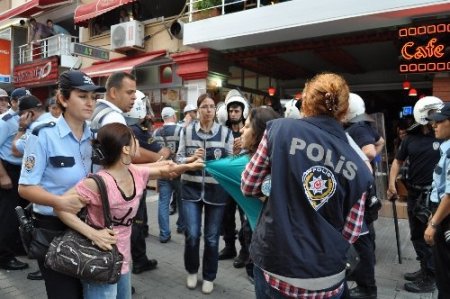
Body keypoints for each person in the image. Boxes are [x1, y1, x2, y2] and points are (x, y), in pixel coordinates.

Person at [241, 72, 373, 298]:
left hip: (276, 265)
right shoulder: (360, 167)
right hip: (326, 275)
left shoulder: (280, 130)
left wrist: (280, 186)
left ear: (306, 101)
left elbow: (249, 185)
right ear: (343, 110)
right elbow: (351, 233)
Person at [55, 122, 203, 299]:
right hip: (99, 261)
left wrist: (187, 165)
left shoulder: (133, 172)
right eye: (134, 139)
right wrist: (94, 234)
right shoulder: (96, 183)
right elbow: (61, 207)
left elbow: (164, 169)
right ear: (125, 149)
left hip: (123, 260)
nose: (138, 142)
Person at [18, 70, 105, 299]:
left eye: (93, 98)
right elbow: (25, 187)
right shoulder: (42, 135)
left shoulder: (94, 138)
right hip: (53, 230)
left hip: (87, 227)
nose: (90, 103)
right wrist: (60, 202)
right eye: (82, 96)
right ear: (63, 99)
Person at [177, 93, 234, 294]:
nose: (208, 110)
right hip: (191, 189)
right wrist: (191, 159)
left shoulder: (226, 133)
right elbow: (178, 159)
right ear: (198, 110)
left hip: (216, 192)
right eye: (204, 107)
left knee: (211, 238)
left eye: (211, 107)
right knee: (192, 234)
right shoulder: (187, 131)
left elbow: (230, 163)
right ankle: (192, 270)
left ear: (215, 110)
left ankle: (209, 276)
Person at [387, 96, 442, 293]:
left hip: (435, 197)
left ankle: (432, 277)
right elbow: (397, 162)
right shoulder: (410, 137)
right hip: (414, 193)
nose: (435, 121)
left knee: (431, 237)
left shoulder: (444, 136)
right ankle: (425, 269)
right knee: (417, 235)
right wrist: (391, 183)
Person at [344, 93, 383, 299]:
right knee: (366, 235)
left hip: (361, 192)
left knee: (362, 239)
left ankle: (367, 287)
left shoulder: (357, 128)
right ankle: (364, 279)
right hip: (367, 190)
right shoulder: (365, 126)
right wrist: (372, 165)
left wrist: (363, 165)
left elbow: (368, 151)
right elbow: (381, 142)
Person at [217, 89, 250, 269]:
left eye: (236, 110)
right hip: (227, 183)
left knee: (245, 219)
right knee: (226, 216)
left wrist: (243, 147)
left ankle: (245, 250)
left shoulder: (249, 132)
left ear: (243, 111)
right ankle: (229, 246)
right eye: (231, 111)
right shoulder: (224, 133)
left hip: (244, 183)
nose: (233, 113)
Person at [0, 88, 30, 273]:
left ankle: (17, 247)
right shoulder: (5, 122)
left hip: (21, 170)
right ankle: (4, 256)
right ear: (14, 101)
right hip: (8, 170)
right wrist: (2, 176)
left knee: (20, 214)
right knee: (8, 216)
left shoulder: (24, 120)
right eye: (23, 100)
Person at [423, 103, 450, 299]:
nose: (434, 125)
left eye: (440, 121)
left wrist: (434, 223)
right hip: (442, 214)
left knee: (446, 278)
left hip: (447, 218)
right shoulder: (445, 148)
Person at [153, 107, 184, 242]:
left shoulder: (156, 132)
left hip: (162, 171)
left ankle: (164, 234)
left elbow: (155, 155)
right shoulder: (180, 130)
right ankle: (182, 226)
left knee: (163, 203)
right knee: (182, 201)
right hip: (178, 171)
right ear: (173, 116)